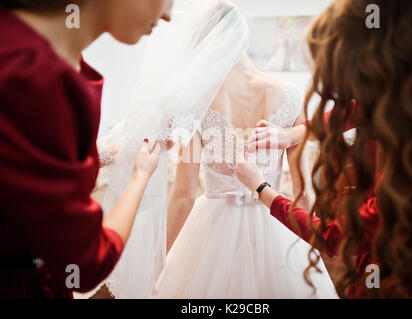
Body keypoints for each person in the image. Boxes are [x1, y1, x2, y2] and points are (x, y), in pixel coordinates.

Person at [236, 0, 412, 298]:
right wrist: (289, 134)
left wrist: (261, 188)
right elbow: (348, 114)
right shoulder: (406, 111)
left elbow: (330, 236)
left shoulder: (406, 179)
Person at [151, 2, 338, 299]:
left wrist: (156, 264)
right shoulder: (289, 96)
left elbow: (184, 195)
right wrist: (311, 249)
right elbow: (304, 193)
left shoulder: (196, 103)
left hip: (210, 233)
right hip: (277, 221)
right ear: (242, 38)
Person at [0, 0, 173, 298]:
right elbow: (84, 262)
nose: (168, 14)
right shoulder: (34, 77)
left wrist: (106, 151)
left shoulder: (34, 50)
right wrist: (140, 177)